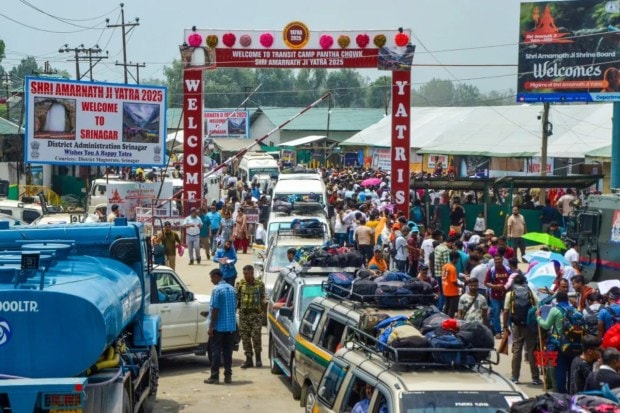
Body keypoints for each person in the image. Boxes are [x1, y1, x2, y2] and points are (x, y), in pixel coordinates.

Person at [536, 290, 578, 394]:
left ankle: (561, 393)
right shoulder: (574, 309)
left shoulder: (555, 310)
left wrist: (538, 317)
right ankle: (570, 393)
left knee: (560, 370)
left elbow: (546, 325)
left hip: (559, 344)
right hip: (573, 343)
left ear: (557, 300)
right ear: (567, 299)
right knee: (570, 370)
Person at [503, 274, 541, 386]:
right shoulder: (530, 292)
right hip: (530, 326)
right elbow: (538, 306)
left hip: (517, 326)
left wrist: (505, 326)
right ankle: (535, 378)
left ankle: (515, 377)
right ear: (525, 282)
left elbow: (505, 311)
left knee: (517, 350)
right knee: (531, 351)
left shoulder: (510, 294)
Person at [204, 268, 237, 385]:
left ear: (217, 277)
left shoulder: (217, 290)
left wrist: (211, 326)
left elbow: (215, 309)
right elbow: (235, 307)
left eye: (212, 278)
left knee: (216, 352)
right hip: (231, 327)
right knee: (228, 353)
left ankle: (214, 376)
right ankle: (228, 376)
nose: (211, 280)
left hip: (219, 327)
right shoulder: (232, 289)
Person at [236, 265, 265, 369]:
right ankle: (249, 360)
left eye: (247, 274)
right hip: (244, 315)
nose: (245, 276)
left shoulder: (260, 284)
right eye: (244, 274)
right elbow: (237, 299)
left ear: (252, 273)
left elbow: (262, 299)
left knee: (256, 337)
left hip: (256, 315)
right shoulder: (240, 284)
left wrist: (261, 314)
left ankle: (258, 359)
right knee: (245, 338)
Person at [485, 255, 511, 338]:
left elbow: (512, 280)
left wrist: (505, 286)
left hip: (506, 296)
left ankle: (507, 330)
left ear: (502, 259)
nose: (497, 261)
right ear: (494, 261)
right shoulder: (491, 270)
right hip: (494, 297)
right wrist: (494, 287)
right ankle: (498, 332)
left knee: (508, 314)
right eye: (496, 259)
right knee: (496, 314)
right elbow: (486, 282)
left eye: (499, 259)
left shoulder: (508, 269)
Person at [442, 251, 461, 318]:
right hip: (452, 291)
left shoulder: (445, 266)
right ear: (454, 258)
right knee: (452, 309)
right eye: (457, 259)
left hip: (446, 289)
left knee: (446, 307)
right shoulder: (453, 268)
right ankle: (449, 321)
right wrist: (460, 286)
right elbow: (454, 281)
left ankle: (443, 320)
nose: (458, 260)